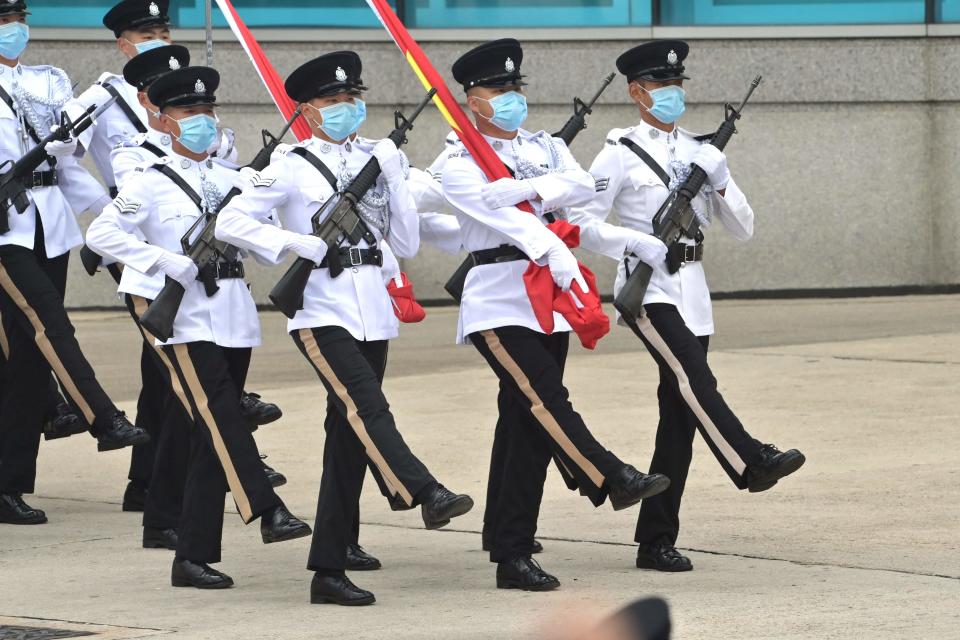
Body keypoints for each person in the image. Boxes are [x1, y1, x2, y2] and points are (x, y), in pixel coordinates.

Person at [217, 51, 475, 606]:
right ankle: (424, 490)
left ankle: (329, 569)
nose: (345, 108)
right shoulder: (288, 164)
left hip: (373, 310)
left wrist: (395, 177)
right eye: (332, 101)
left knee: (349, 439)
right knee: (369, 410)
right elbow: (230, 220)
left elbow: (403, 245)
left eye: (352, 98)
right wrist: (291, 242)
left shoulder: (379, 159)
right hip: (319, 310)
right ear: (307, 109)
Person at [439, 38, 671, 592]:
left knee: (526, 424)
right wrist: (549, 234)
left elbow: (578, 187)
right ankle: (608, 475)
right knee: (547, 401)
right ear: (472, 99)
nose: (511, 98)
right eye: (498, 90)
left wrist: (528, 186)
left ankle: (509, 545)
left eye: (515, 88)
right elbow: (516, 227)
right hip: (498, 298)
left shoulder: (544, 146)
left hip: (550, 304)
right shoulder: (455, 161)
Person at [573, 40, 805, 572]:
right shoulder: (618, 152)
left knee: (678, 416)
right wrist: (632, 243)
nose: (672, 93)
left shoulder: (701, 152)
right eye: (661, 85)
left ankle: (656, 540)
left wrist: (720, 179)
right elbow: (583, 223)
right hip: (648, 290)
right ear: (636, 92)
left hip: (692, 290)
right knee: (695, 380)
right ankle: (751, 458)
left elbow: (744, 229)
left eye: (678, 85)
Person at [86, 65, 311, 588]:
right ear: (164, 121)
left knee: (207, 430)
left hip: (231, 311)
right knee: (221, 415)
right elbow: (101, 234)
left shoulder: (234, 179)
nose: (202, 121)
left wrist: (285, 236)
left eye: (208, 111)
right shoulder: (148, 179)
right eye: (190, 113)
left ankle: (189, 553)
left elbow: (261, 239)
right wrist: (162, 261)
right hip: (182, 315)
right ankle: (267, 507)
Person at [65, 0, 282, 512]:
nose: (199, 116)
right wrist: (104, 213)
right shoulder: (133, 146)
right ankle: (223, 472)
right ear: (150, 99)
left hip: (213, 276)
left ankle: (154, 489)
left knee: (167, 384)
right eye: (183, 105)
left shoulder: (211, 138)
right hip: (157, 266)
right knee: (181, 385)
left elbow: (224, 183)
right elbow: (85, 172)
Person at [0, 0, 149, 526]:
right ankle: (101, 416)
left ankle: (9, 484)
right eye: (2, 22)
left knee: (26, 357)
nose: (13, 30)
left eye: (17, 20)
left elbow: (66, 166)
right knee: (50, 326)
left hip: (47, 223)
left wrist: (112, 219)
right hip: (3, 234)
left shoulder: (49, 81)